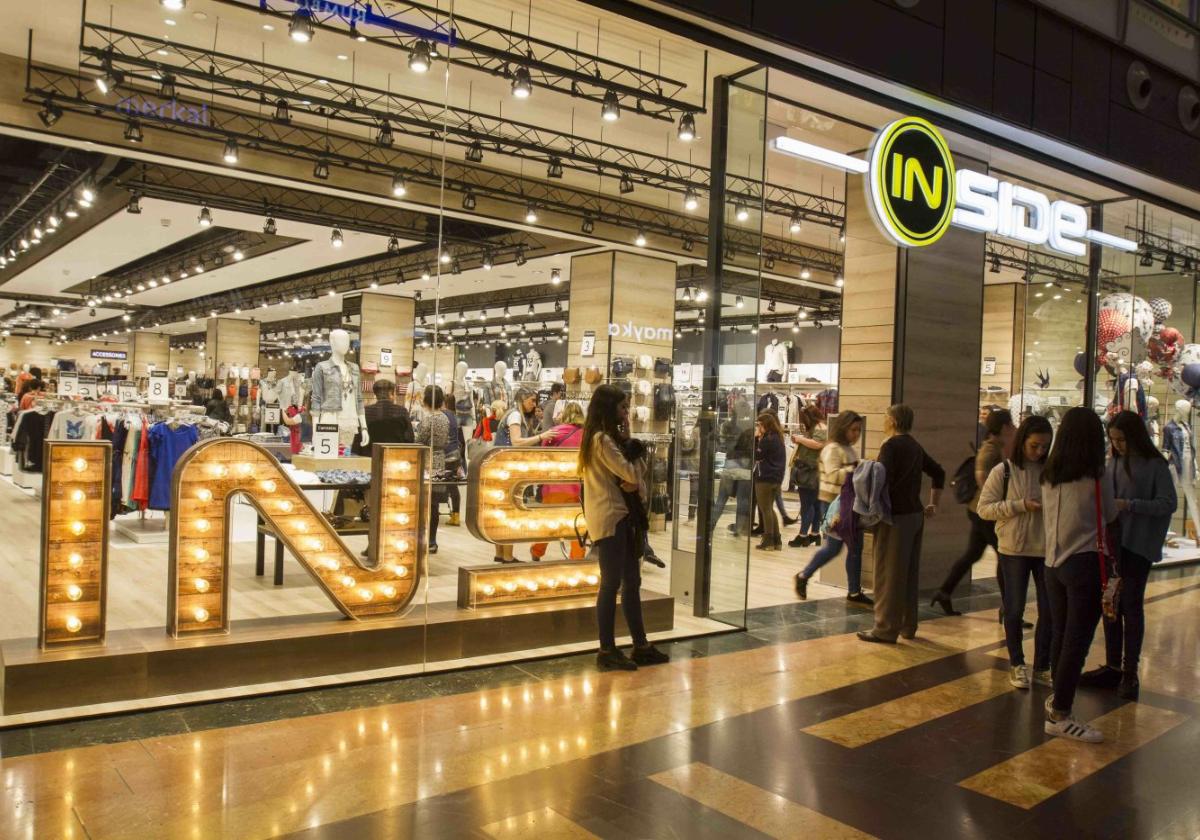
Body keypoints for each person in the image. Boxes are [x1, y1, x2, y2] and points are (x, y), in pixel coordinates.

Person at [1080, 410, 1175, 700]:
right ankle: (1112, 666)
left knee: (1131, 605)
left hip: (1137, 545)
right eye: (1113, 440)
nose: (1118, 445)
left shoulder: (1155, 464)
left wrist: (1129, 504)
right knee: (1111, 603)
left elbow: (1167, 503)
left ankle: (1130, 671)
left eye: (1122, 439)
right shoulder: (1113, 462)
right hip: (1112, 544)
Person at [1039, 406, 1117, 743]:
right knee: (1076, 642)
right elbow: (1110, 513)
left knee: (1060, 635)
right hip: (1083, 562)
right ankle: (1061, 713)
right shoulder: (1097, 477)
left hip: (1052, 566)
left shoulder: (1049, 474)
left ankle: (1058, 697)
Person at [578, 384, 667, 672]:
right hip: (611, 516)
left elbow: (633, 476)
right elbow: (630, 473)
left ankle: (639, 645)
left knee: (632, 582)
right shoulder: (601, 440)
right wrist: (637, 460)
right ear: (608, 408)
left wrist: (633, 457)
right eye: (622, 407)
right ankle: (607, 649)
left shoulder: (609, 438)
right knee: (612, 584)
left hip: (622, 515)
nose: (626, 412)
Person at [977, 415, 1054, 689]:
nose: (1039, 452)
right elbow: (984, 508)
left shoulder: (1052, 472)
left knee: (1049, 610)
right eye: (1034, 445)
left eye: (1044, 446)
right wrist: (1019, 505)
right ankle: (1017, 663)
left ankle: (1043, 665)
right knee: (1014, 607)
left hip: (1046, 549)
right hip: (1014, 549)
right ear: (1023, 442)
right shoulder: (1004, 471)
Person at [858, 404, 944, 645]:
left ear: (893, 421)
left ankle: (884, 629)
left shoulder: (891, 445)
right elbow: (939, 472)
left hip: (894, 518)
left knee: (888, 575)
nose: (884, 421)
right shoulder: (915, 446)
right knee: (908, 573)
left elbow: (880, 480)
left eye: (885, 417)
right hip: (915, 515)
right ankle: (908, 625)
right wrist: (933, 504)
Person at [931, 409, 1016, 617]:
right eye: (1011, 424)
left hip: (978, 511)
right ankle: (1009, 609)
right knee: (1004, 557)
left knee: (973, 554)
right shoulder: (990, 450)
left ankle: (944, 592)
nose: (1013, 428)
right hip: (985, 513)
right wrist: (998, 503)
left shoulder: (995, 447)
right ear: (1004, 427)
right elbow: (983, 479)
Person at [793, 411, 872, 605]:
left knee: (855, 548)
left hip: (850, 504)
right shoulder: (832, 449)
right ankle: (804, 575)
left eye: (858, 430)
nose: (856, 434)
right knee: (834, 548)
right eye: (853, 430)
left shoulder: (847, 448)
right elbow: (833, 475)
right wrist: (856, 469)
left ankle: (853, 591)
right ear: (843, 428)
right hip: (835, 505)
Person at [494, 387, 563, 563]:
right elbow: (517, 441)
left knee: (503, 514)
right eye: (532, 400)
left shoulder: (513, 414)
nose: (534, 404)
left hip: (502, 468)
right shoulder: (516, 416)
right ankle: (508, 556)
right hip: (509, 469)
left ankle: (501, 554)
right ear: (522, 400)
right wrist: (542, 437)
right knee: (511, 513)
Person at [531, 401, 586, 561]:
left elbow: (544, 455)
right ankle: (577, 558)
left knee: (550, 522)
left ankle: (537, 551)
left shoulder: (554, 432)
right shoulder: (587, 434)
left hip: (554, 486)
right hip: (577, 486)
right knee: (577, 525)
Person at [414, 386, 449, 554]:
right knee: (434, 504)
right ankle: (432, 540)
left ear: (426, 400)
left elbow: (419, 440)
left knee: (423, 502)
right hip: (440, 461)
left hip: (427, 460)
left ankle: (422, 539)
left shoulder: (428, 420)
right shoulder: (445, 418)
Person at [787, 406, 827, 547]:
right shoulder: (821, 426)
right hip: (814, 470)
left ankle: (803, 535)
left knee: (807, 505)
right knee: (815, 504)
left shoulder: (820, 428)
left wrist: (800, 439)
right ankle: (814, 534)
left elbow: (818, 444)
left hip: (810, 471)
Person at [752, 412, 787, 551]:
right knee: (769, 509)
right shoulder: (778, 438)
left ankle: (768, 540)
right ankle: (776, 540)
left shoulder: (767, 439)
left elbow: (757, 455)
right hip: (776, 478)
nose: (758, 427)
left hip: (765, 478)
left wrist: (755, 439)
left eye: (759, 425)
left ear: (764, 425)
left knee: (765, 509)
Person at [361, 379, 414, 446]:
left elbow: (359, 440)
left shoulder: (366, 411)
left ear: (376, 394)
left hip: (371, 454)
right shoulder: (402, 411)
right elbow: (410, 438)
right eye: (394, 393)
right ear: (390, 394)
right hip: (396, 453)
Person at [441, 389, 465, 527]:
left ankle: (433, 512)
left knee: (438, 484)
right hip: (455, 454)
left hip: (445, 454)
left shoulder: (443, 414)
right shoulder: (455, 416)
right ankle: (456, 515)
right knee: (453, 486)